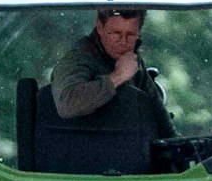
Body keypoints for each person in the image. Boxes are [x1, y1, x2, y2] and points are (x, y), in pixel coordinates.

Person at [50, 9, 175, 139]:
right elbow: (67, 104)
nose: (123, 41)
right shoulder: (78, 58)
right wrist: (118, 77)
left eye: (131, 35)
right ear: (99, 26)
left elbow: (159, 116)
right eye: (115, 33)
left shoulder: (132, 61)